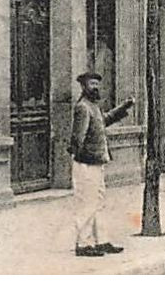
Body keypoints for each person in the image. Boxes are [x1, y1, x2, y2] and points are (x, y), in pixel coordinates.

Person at [68, 72, 135, 258]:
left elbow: (103, 121)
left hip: (96, 163)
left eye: (97, 83)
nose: (95, 87)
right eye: (92, 84)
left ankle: (102, 241)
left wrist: (124, 107)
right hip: (87, 164)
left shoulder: (93, 107)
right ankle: (83, 244)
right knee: (87, 204)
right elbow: (77, 138)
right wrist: (80, 158)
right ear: (83, 86)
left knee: (98, 203)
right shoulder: (82, 107)